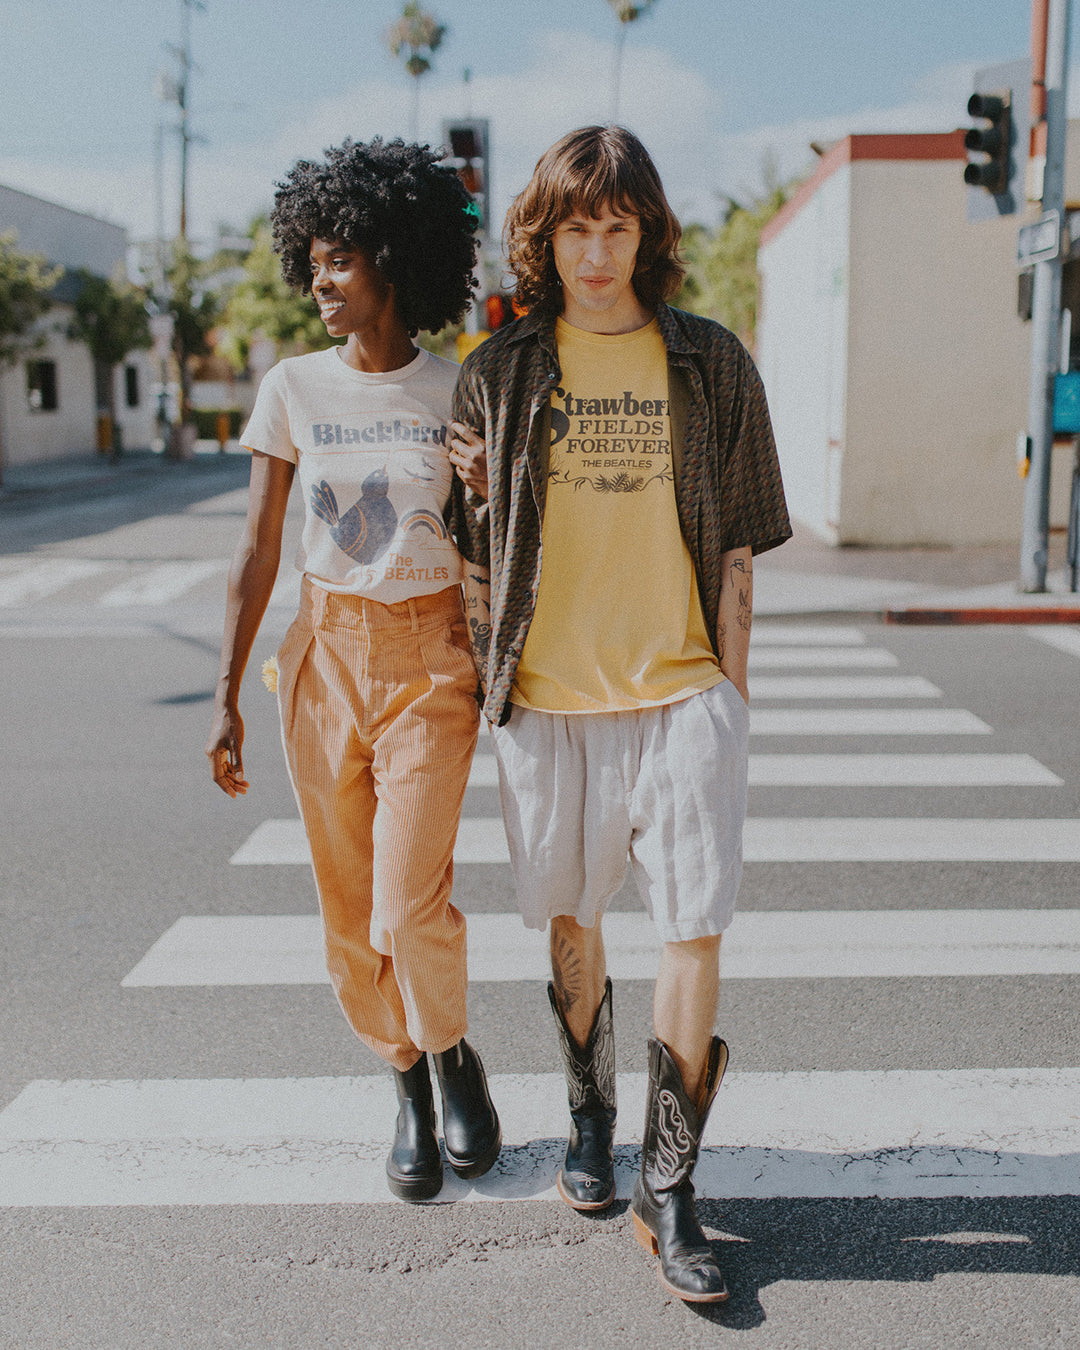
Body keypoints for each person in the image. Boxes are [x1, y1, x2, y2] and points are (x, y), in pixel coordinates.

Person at [448, 125, 790, 1302]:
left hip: (684, 689)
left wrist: (732, 697)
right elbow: (471, 543)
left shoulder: (711, 362)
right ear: (542, 241)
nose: (595, 253)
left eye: (617, 226)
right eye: (573, 230)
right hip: (548, 700)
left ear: (649, 234)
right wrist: (490, 678)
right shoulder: (498, 370)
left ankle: (670, 1183)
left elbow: (738, 544)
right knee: (570, 919)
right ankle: (590, 1119)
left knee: (694, 927)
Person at [206, 137, 500, 1203]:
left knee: (408, 902)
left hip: (431, 659)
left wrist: (488, 485)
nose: (318, 283)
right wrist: (226, 694)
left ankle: (453, 1050)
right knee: (346, 910)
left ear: (393, 258)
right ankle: (407, 1077)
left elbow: (495, 543)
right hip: (323, 658)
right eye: (312, 262)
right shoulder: (290, 386)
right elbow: (257, 548)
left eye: (339, 261)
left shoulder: (458, 387)